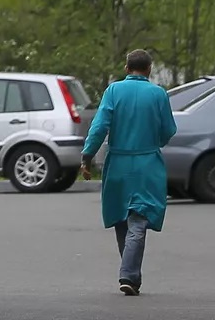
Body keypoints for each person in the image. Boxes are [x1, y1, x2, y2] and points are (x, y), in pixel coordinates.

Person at [80, 49, 178, 296]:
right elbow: (168, 129)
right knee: (139, 218)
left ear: (126, 68)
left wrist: (87, 156)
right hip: (147, 164)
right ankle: (129, 274)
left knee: (122, 217)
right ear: (149, 69)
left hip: (118, 164)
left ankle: (130, 273)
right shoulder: (158, 94)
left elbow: (99, 126)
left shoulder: (113, 91)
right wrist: (154, 141)